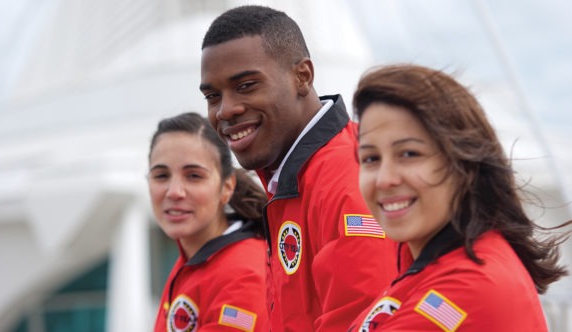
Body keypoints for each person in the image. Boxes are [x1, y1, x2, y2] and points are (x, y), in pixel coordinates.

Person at [199, 5, 398, 331]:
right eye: (212, 95)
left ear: (302, 76)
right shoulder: (292, 180)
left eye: (247, 85)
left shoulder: (348, 181)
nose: (226, 110)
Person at [348, 64, 572, 331]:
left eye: (409, 154)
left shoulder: (469, 287)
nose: (385, 178)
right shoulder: (436, 256)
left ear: (463, 164)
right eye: (371, 158)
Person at [148, 112, 269, 331]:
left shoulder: (244, 273)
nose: (174, 192)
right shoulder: (191, 259)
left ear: (227, 187)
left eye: (194, 176)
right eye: (161, 176)